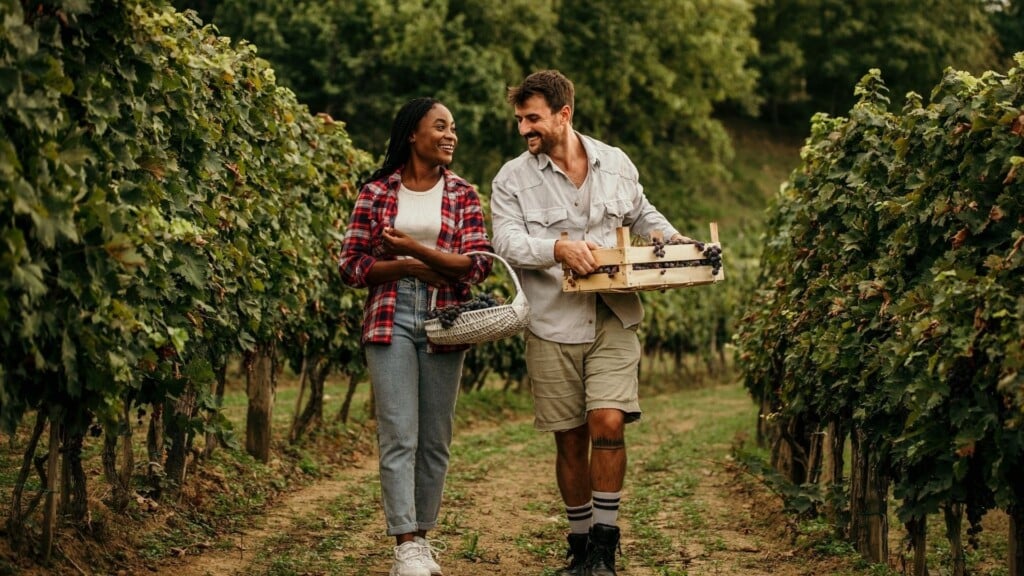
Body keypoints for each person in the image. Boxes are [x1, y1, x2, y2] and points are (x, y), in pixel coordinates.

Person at [490, 70, 693, 576]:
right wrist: (556, 248)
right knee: (570, 437)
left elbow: (643, 213)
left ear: (564, 114)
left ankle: (605, 547)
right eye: (519, 120)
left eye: (532, 118)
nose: (523, 130)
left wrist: (673, 239)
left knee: (608, 421)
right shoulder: (511, 178)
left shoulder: (616, 163)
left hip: (613, 315)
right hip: (552, 322)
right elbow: (507, 243)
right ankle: (579, 546)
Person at [339, 97, 493, 576]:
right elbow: (351, 265)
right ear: (412, 133)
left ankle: (423, 537)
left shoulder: (464, 194)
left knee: (435, 438)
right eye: (440, 126)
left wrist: (415, 252)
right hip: (390, 313)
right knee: (398, 433)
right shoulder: (377, 192)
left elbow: (478, 265)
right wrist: (405, 265)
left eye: (454, 128)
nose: (450, 135)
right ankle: (405, 544)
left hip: (445, 317)